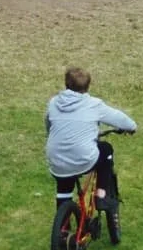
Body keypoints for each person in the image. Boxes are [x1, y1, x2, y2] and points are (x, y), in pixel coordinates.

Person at [45, 67, 135, 210]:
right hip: (83, 158)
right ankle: (101, 195)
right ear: (88, 86)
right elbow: (120, 119)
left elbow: (49, 126)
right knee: (105, 150)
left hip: (56, 158)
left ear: (66, 84)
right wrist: (131, 127)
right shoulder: (94, 105)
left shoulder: (53, 102)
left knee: (63, 188)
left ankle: (62, 228)